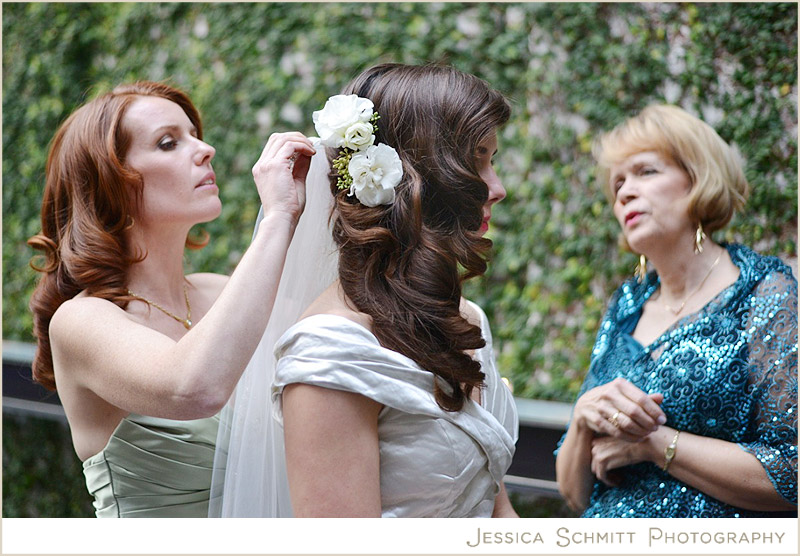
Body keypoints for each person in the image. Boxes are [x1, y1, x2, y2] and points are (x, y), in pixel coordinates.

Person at [214, 63, 519, 517]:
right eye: (477, 158)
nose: (499, 188)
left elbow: (497, 514)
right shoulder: (330, 353)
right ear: (419, 172)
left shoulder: (467, 320)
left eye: (493, 160)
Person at [27, 81, 316, 517]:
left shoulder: (221, 291)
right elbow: (193, 388)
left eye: (195, 134)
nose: (206, 150)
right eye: (168, 143)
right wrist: (278, 218)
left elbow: (351, 336)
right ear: (112, 183)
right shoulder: (80, 321)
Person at [555, 104, 798, 517]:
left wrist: (654, 444)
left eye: (646, 172)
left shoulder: (764, 292)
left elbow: (792, 473)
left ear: (697, 179)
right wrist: (582, 419)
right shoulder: (626, 306)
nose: (625, 192)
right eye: (618, 184)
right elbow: (575, 495)